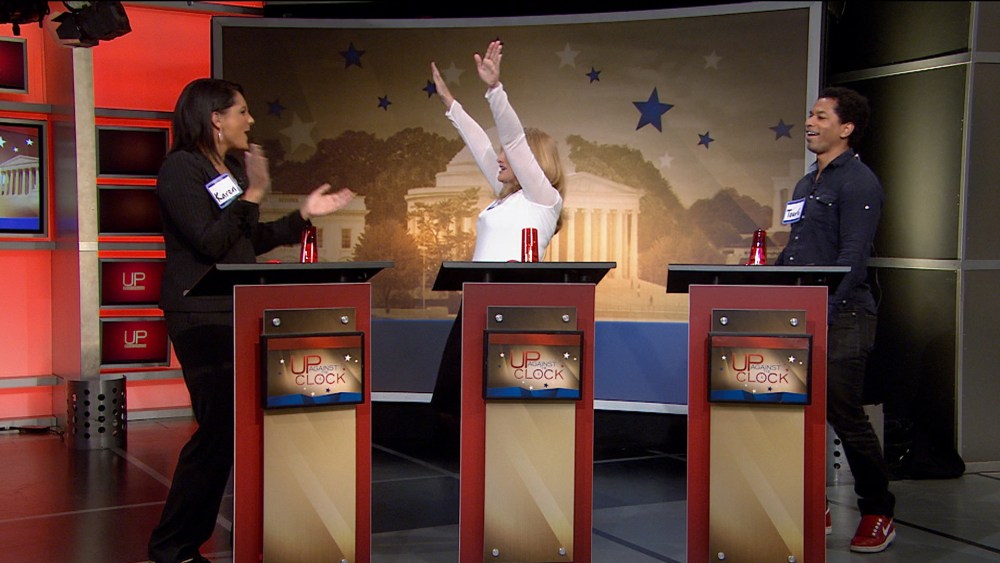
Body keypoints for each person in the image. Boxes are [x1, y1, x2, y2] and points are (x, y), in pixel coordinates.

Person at [148, 77, 354, 563]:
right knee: (219, 428)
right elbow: (208, 241)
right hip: (200, 315)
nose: (251, 120)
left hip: (238, 311)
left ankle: (189, 544)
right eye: (242, 111)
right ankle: (171, 546)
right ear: (215, 118)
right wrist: (256, 191)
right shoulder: (181, 169)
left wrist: (303, 215)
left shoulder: (233, 169)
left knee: (231, 429)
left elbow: (246, 241)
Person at [775, 86, 894, 553]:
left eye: (821, 116)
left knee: (844, 413)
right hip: (801, 315)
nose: (810, 122)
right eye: (810, 115)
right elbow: (796, 250)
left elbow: (853, 258)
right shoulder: (806, 185)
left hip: (843, 315)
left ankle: (878, 511)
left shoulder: (859, 183)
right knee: (799, 413)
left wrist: (822, 311)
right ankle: (813, 505)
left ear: (846, 128)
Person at [428, 40, 566, 426]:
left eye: (507, 153)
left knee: (499, 398)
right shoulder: (505, 197)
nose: (499, 157)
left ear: (531, 162)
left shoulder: (543, 199)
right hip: (477, 301)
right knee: (464, 398)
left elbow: (515, 140)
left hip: (512, 305)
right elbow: (480, 146)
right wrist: (450, 104)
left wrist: (494, 90)